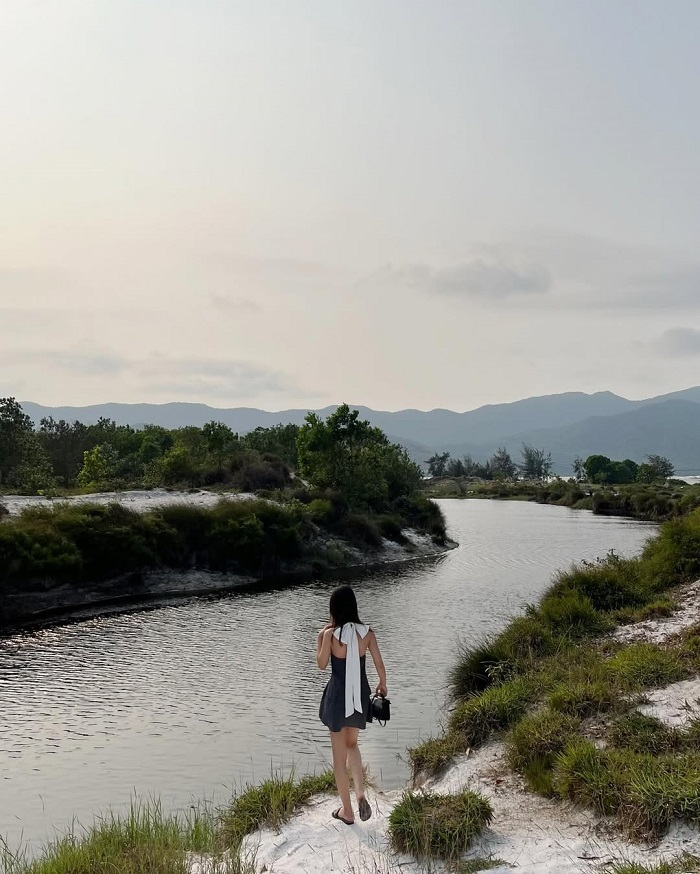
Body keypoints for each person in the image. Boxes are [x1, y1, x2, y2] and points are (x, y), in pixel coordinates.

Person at [317, 585, 387, 825]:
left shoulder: (330, 635)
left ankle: (347, 811)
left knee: (338, 759)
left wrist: (322, 638)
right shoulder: (367, 633)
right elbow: (378, 663)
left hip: (337, 698)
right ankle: (359, 793)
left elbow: (322, 664)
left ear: (334, 608)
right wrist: (383, 684)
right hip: (360, 696)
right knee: (352, 744)